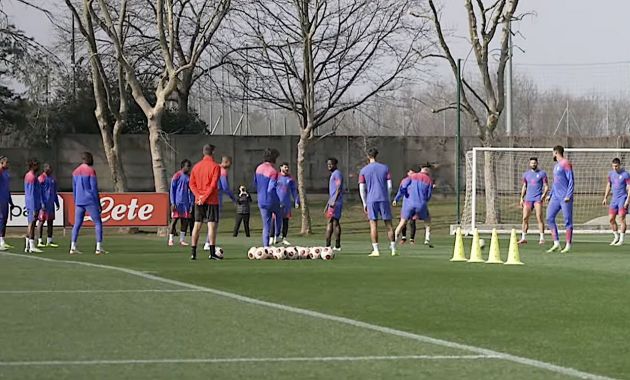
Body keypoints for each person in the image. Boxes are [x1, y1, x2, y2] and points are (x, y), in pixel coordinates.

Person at [358, 148, 396, 257]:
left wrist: (364, 203)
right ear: (377, 155)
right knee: (388, 224)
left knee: (373, 225)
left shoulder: (364, 170)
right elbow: (389, 186)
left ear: (368, 156)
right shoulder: (385, 168)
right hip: (383, 198)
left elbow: (362, 188)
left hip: (371, 199)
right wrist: (387, 198)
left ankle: (376, 250)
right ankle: (393, 249)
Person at [189, 144, 221, 260]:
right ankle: (212, 253)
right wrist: (205, 197)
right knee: (211, 225)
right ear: (212, 152)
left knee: (197, 225)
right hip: (211, 200)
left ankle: (193, 252)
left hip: (199, 201)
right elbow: (213, 185)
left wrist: (199, 196)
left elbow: (191, 184)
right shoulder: (215, 166)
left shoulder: (196, 167)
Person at [71, 152, 105, 255]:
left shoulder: (75, 171)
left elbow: (74, 188)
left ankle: (73, 246)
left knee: (77, 224)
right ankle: (98, 247)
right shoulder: (91, 171)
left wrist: (75, 200)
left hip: (79, 200)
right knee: (98, 222)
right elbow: (94, 188)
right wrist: (98, 203)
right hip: (89, 200)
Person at [393, 165, 434, 248]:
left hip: (408, 204)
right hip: (421, 204)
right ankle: (427, 239)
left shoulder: (411, 177)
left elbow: (403, 188)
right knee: (427, 221)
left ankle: (393, 241)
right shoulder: (429, 180)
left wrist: (396, 199)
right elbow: (429, 195)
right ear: (427, 170)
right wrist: (424, 200)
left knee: (402, 222)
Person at [203, 156, 236, 250]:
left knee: (211, 220)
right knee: (214, 222)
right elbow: (225, 187)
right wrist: (234, 198)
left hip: (209, 196)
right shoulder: (222, 171)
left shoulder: (214, 167)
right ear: (227, 162)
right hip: (216, 198)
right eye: (230, 163)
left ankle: (208, 242)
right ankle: (208, 243)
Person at [546, 145, 574, 253]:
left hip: (565, 197)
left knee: (567, 220)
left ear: (556, 152)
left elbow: (571, 179)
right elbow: (555, 182)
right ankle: (556, 243)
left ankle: (568, 244)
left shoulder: (565, 163)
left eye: (553, 153)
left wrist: (568, 194)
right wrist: (550, 194)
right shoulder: (556, 166)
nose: (552, 155)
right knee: (549, 217)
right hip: (555, 197)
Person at [254, 148, 282, 247]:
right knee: (279, 213)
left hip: (261, 199)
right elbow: (270, 189)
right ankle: (277, 235)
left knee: (266, 225)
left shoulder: (258, 168)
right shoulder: (273, 171)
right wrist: (278, 199)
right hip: (270, 199)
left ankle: (266, 246)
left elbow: (255, 183)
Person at [518, 157, 549, 245]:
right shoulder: (526, 174)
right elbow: (524, 186)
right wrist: (521, 198)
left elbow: (546, 186)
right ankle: (523, 238)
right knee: (524, 218)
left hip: (537, 199)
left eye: (534, 163)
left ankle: (542, 238)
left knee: (539, 217)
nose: (533, 164)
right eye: (532, 163)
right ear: (529, 164)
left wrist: (543, 196)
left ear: (537, 163)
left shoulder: (542, 173)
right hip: (528, 199)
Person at [602, 158, 630, 246]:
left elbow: (629, 188)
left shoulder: (625, 174)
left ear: (619, 165)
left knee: (621, 218)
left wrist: (627, 200)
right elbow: (609, 185)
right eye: (613, 166)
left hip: (623, 198)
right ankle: (616, 237)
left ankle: (621, 239)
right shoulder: (611, 174)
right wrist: (605, 197)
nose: (615, 168)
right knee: (611, 219)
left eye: (616, 166)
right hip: (614, 199)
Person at [168, 159, 193, 246]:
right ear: (183, 166)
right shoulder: (177, 176)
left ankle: (182, 240)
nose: (189, 168)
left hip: (185, 203)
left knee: (185, 221)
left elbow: (191, 191)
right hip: (177, 203)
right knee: (174, 220)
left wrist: (191, 203)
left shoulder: (189, 177)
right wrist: (172, 202)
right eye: (187, 166)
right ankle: (170, 239)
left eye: (190, 166)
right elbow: (172, 190)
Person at [37, 163, 60, 248]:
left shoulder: (52, 179)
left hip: (51, 204)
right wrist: (41, 203)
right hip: (44, 204)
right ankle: (39, 240)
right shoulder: (41, 178)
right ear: (45, 169)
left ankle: (49, 240)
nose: (51, 170)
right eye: (49, 168)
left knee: (50, 221)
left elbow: (54, 192)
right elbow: (39, 192)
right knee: (41, 221)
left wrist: (56, 202)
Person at [276, 162, 299, 245]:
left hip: (287, 203)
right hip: (277, 202)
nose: (286, 169)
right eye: (285, 167)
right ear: (281, 167)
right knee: (275, 219)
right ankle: (274, 236)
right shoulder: (276, 177)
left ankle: (284, 238)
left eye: (287, 167)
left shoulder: (290, 179)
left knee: (285, 220)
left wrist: (296, 200)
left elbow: (294, 190)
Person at [23, 159, 44, 254]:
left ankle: (27, 245)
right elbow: (31, 193)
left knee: (30, 223)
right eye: (37, 165)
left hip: (33, 203)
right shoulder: (31, 177)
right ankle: (31, 245)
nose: (38, 167)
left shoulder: (29, 176)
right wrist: (34, 207)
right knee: (32, 223)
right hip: (32, 204)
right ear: (33, 166)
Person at [325, 158, 343, 251]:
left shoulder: (337, 174)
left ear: (335, 164)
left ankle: (332, 245)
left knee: (332, 222)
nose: (329, 166)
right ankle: (333, 245)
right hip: (333, 201)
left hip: (335, 202)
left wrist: (333, 201)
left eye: (331, 164)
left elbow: (338, 188)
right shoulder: (333, 174)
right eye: (328, 164)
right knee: (333, 222)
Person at [394, 169, 416, 244]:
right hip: (406, 204)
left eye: (413, 172)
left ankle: (412, 239)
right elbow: (401, 191)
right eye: (410, 172)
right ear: (408, 173)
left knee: (412, 221)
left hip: (414, 204)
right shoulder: (405, 180)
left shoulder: (417, 181)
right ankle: (403, 237)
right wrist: (396, 199)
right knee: (403, 221)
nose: (412, 174)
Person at [0, 156, 15, 251]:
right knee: (1, 219)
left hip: (5, 199)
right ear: (2, 163)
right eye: (6, 162)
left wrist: (10, 201)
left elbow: (7, 188)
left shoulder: (6, 173)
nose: (8, 164)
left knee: (4, 220)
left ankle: (2, 240)